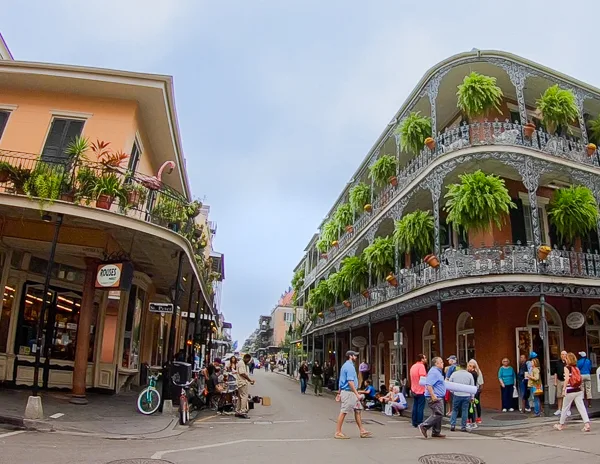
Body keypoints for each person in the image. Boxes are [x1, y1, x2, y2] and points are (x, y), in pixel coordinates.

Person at [334, 350, 372, 439]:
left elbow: (341, 380)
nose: (356, 357)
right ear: (350, 356)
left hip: (349, 392)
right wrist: (357, 394)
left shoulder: (346, 366)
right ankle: (338, 432)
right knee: (344, 411)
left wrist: (339, 392)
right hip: (349, 392)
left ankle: (362, 430)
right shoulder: (349, 367)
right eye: (355, 355)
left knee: (358, 410)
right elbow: (350, 382)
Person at [554, 352, 591, 432]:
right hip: (578, 390)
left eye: (566, 358)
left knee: (565, 408)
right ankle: (587, 424)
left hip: (570, 390)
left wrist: (564, 389)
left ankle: (561, 425)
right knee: (581, 407)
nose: (565, 359)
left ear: (568, 359)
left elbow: (567, 379)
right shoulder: (576, 368)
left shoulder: (567, 368)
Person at [418, 356, 446, 439]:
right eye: (441, 362)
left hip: (437, 395)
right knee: (439, 413)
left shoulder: (437, 372)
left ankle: (436, 432)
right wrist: (433, 395)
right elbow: (429, 385)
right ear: (436, 364)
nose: (443, 363)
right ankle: (424, 426)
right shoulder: (434, 372)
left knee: (437, 413)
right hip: (434, 396)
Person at [449, 360, 474, 432]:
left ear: (459, 367)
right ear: (466, 367)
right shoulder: (469, 375)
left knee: (455, 410)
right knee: (464, 411)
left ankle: (453, 425)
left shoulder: (454, 374)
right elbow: (472, 387)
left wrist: (453, 392)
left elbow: (450, 384)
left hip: (457, 394)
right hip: (466, 395)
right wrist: (472, 397)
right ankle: (463, 426)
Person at [235, 354, 255, 419]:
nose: (248, 361)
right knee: (244, 397)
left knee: (240, 397)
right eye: (248, 360)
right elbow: (242, 373)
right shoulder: (241, 363)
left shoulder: (243, 363)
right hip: (242, 382)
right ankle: (242, 411)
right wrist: (249, 380)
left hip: (241, 382)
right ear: (246, 358)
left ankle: (238, 411)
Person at [410, 354, 427, 428]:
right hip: (421, 389)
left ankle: (414, 421)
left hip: (414, 388)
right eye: (425, 358)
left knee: (415, 406)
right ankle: (420, 422)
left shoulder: (413, 366)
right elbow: (422, 378)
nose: (426, 359)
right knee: (420, 407)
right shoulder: (421, 366)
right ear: (422, 359)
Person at [467, 359, 484, 425]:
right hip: (470, 389)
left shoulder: (478, 372)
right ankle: (470, 418)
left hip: (475, 389)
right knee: (471, 404)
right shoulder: (468, 371)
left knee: (476, 403)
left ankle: (478, 417)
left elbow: (481, 381)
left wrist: (480, 389)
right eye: (469, 365)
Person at [552, 351, 567, 416]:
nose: (563, 355)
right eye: (562, 354)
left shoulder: (568, 362)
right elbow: (555, 373)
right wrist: (555, 381)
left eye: (564, 354)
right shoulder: (557, 363)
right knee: (559, 396)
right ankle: (559, 409)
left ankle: (566, 410)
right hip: (559, 380)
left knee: (566, 396)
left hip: (566, 381)